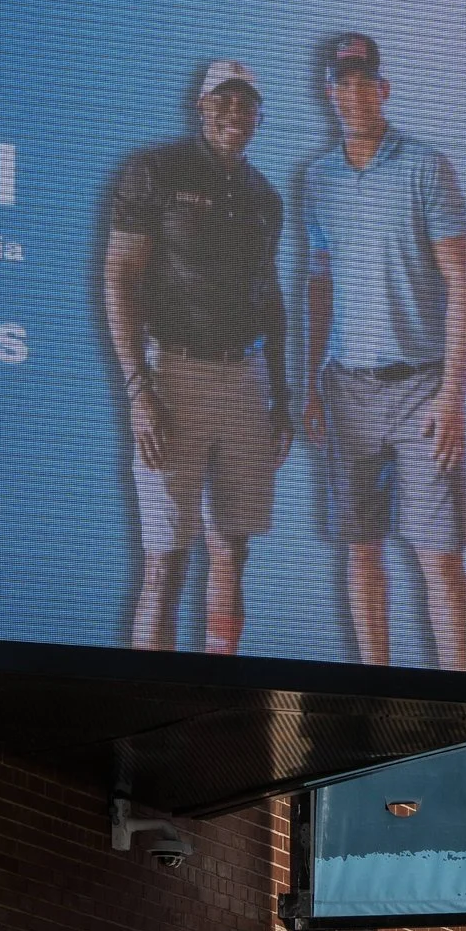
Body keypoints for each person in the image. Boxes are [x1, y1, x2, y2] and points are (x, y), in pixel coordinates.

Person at [299, 33, 466, 672]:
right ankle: (374, 685)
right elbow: (319, 284)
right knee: (361, 550)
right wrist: (310, 385)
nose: (351, 93)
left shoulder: (426, 168)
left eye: (361, 80)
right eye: (339, 81)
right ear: (329, 93)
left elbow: (461, 279)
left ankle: (463, 689)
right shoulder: (315, 180)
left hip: (419, 389)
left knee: (438, 555)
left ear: (383, 89)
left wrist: (452, 394)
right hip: (346, 388)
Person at [102, 59, 290, 654]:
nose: (234, 112)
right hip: (173, 369)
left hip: (244, 377)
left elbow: (271, 296)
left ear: (257, 116)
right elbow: (119, 276)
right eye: (222, 101)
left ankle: (223, 680)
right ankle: (141, 691)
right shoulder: (153, 170)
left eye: (246, 103)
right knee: (167, 558)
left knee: (232, 548)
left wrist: (279, 399)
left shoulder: (264, 196)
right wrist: (138, 389)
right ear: (201, 106)